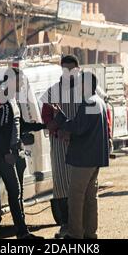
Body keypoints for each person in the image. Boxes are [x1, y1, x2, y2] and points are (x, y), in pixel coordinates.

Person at [52, 72, 110, 239]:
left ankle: (75, 233)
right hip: (94, 158)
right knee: (90, 197)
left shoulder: (89, 103)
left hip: (84, 159)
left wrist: (60, 118)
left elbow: (78, 128)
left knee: (76, 198)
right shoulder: (98, 102)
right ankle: (90, 233)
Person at [0, 68, 46, 239]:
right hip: (4, 154)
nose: (23, 84)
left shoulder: (13, 100)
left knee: (18, 193)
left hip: (15, 151)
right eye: (20, 81)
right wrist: (6, 151)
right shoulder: (0, 100)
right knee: (14, 192)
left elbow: (20, 125)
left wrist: (42, 126)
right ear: (12, 81)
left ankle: (23, 231)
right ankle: (21, 232)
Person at [41, 54, 83, 238]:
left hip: (82, 144)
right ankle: (65, 224)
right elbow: (47, 120)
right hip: (60, 145)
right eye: (65, 69)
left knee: (81, 187)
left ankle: (81, 226)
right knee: (62, 186)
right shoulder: (52, 92)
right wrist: (59, 131)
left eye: (72, 69)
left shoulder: (86, 92)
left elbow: (93, 118)